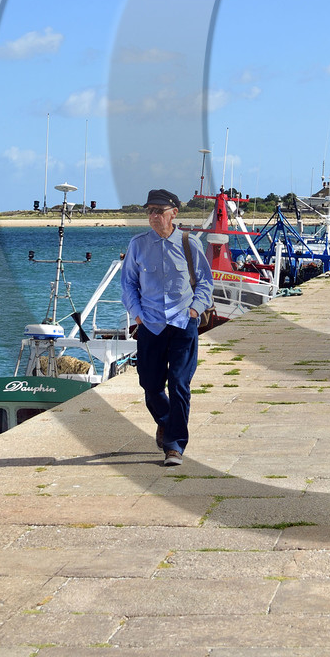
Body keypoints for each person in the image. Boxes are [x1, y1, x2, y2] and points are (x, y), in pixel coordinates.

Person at [121, 188, 214, 467]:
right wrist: (137, 315)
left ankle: (174, 446)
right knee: (150, 385)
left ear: (174, 213)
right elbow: (128, 284)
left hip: (183, 323)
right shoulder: (138, 245)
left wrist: (195, 309)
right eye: (149, 211)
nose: (153, 216)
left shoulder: (189, 244)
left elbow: (206, 282)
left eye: (159, 211)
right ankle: (165, 421)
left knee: (179, 384)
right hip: (150, 325)